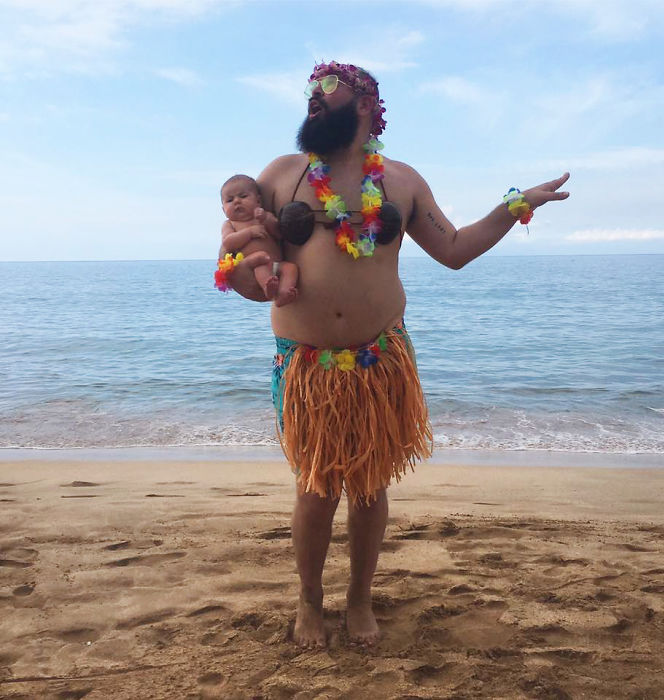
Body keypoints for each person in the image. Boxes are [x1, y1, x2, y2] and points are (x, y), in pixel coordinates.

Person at [218, 61, 570, 648]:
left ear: (363, 104)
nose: (313, 98)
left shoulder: (401, 183)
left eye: (327, 89)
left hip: (379, 359)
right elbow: (245, 258)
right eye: (309, 90)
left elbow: (454, 249)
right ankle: (309, 600)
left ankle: (359, 599)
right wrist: (249, 279)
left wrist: (514, 205)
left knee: (370, 485)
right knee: (315, 487)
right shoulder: (281, 175)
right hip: (307, 364)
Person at [217, 174, 298, 306]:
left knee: (290, 268)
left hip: (276, 263)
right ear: (223, 210)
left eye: (243, 196)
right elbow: (228, 243)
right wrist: (249, 233)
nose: (237, 201)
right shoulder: (230, 224)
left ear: (258, 201)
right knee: (260, 258)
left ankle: (283, 293)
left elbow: (279, 234)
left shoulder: (264, 216)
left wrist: (266, 220)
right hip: (253, 264)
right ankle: (268, 288)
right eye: (230, 200)